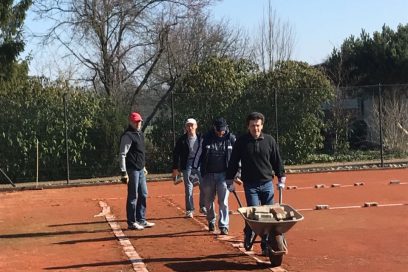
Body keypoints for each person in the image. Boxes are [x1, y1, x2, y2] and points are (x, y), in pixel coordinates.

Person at [226, 112, 286, 255]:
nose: (255, 128)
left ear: (262, 125)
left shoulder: (269, 141)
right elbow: (233, 161)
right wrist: (229, 180)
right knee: (254, 213)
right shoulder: (241, 142)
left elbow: (277, 160)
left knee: (269, 214)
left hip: (267, 183)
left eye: (258, 125)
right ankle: (249, 232)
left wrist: (281, 177)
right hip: (250, 184)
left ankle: (266, 243)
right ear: (248, 126)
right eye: (253, 126)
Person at [193, 117, 236, 235]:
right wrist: (194, 170)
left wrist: (237, 172)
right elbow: (198, 155)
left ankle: (224, 225)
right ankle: (211, 220)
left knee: (224, 201)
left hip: (224, 175)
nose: (221, 133)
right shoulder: (206, 138)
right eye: (218, 130)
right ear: (214, 128)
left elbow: (236, 156)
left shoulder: (231, 138)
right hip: (208, 175)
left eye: (223, 130)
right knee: (208, 201)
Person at [119, 112, 155, 230]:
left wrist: (143, 166)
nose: (138, 123)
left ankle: (142, 219)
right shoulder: (128, 135)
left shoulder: (140, 134)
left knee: (143, 193)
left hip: (140, 169)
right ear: (131, 122)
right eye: (136, 121)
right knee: (133, 196)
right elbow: (123, 154)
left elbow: (140, 152)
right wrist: (124, 172)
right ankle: (131, 222)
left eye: (139, 121)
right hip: (132, 169)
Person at [172, 118, 206, 218]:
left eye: (192, 125)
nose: (190, 127)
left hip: (200, 164)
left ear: (196, 126)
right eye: (188, 125)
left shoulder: (201, 138)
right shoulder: (182, 140)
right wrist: (175, 168)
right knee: (189, 187)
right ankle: (189, 209)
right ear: (186, 127)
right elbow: (176, 154)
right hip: (188, 164)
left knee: (203, 185)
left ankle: (203, 206)